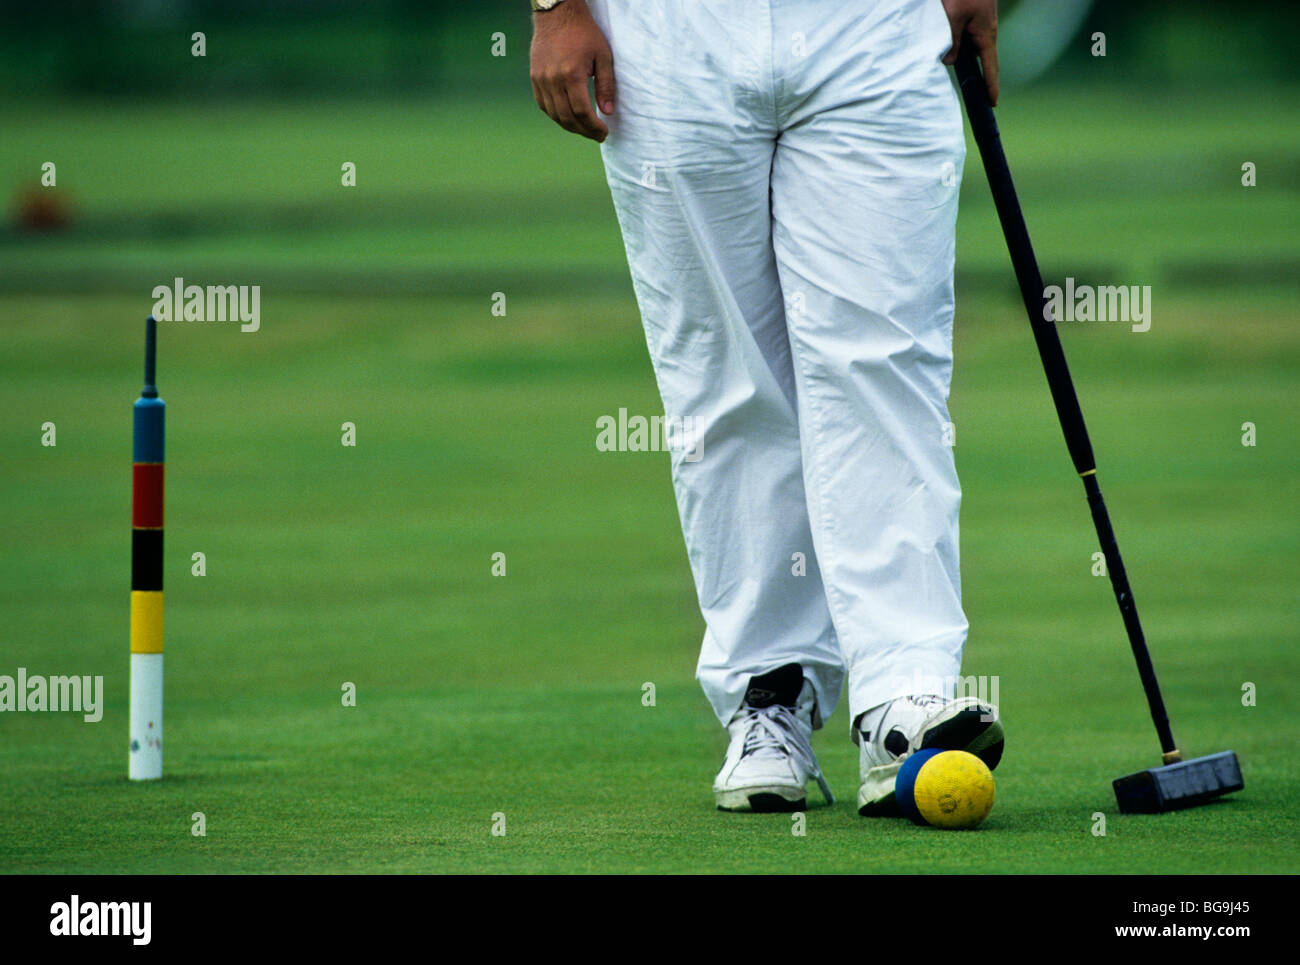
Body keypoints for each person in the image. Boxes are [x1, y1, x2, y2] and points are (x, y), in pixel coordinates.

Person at [530, 0, 1005, 814]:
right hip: (670, 35)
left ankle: (905, 696)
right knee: (723, 374)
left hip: (875, 24)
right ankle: (768, 693)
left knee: (885, 358)